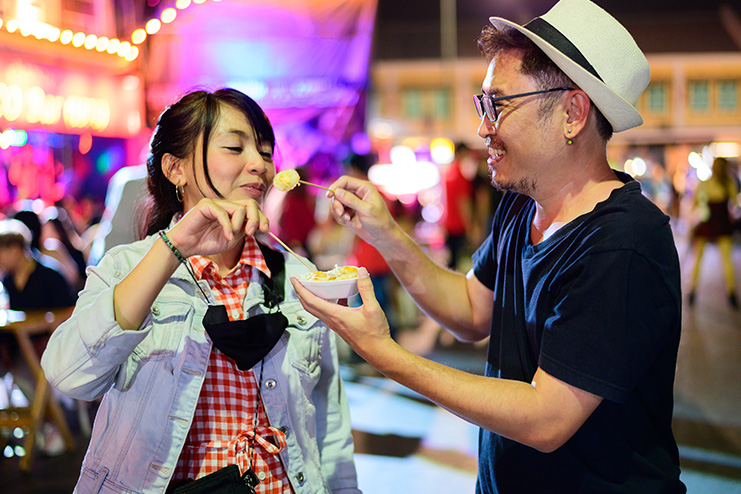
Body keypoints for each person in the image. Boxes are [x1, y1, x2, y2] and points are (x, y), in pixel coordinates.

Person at [291, 0, 686, 492]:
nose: (483, 128)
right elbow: (471, 309)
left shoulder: (622, 244)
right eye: (484, 106)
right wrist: (384, 232)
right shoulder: (523, 205)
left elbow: (547, 419)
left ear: (572, 112)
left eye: (498, 105)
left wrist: (384, 354)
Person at [41, 88, 361, 494]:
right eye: (234, 147)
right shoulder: (127, 268)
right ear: (176, 169)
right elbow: (68, 377)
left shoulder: (301, 277)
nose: (259, 166)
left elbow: (328, 426)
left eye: (265, 152)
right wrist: (174, 247)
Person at [688, 156, 739, 309]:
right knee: (727, 260)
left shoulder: (705, 184)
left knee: (698, 258)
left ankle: (692, 291)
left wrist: (693, 224)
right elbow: (734, 205)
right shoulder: (730, 183)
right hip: (722, 224)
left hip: (708, 223)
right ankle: (731, 293)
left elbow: (697, 205)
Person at [440, 142, 474, 269]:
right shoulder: (460, 174)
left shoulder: (448, 172)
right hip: (459, 225)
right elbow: (463, 202)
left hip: (448, 224)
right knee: (460, 263)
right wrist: (470, 225)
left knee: (452, 261)